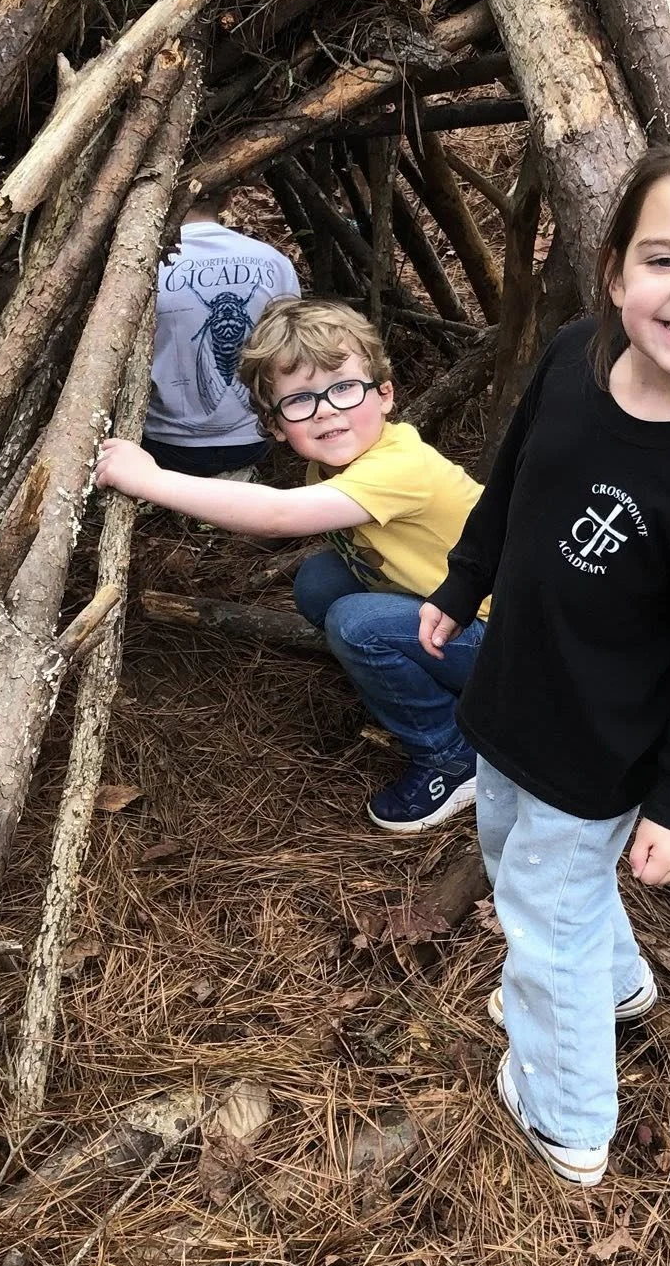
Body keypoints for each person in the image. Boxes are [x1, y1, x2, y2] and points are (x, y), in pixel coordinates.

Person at [419, 133, 670, 1188]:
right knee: (518, 863)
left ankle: (567, 1116)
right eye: (664, 258)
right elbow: (512, 480)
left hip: (598, 747)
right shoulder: (576, 358)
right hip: (517, 692)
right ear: (616, 268)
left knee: (541, 926)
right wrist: (464, 581)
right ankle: (620, 985)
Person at [96, 298, 487, 831]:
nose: (326, 409)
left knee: (356, 623)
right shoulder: (331, 463)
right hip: (450, 616)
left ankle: (454, 753)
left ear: (386, 395)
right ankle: (412, 683)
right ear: (276, 425)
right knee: (321, 582)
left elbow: (277, 516)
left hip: (511, 643)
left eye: (344, 388)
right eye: (300, 400)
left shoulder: (400, 465)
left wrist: (149, 478)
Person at [143, 192, 300, 479]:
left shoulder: (144, 266)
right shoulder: (274, 262)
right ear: (227, 200)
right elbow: (293, 347)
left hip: (166, 445)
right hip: (252, 441)